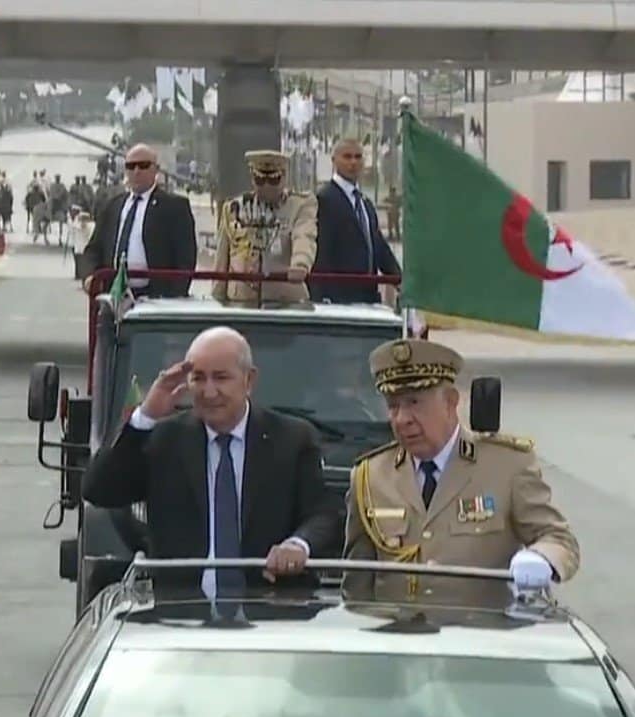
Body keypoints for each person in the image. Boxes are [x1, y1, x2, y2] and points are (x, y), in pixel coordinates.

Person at [82, 327, 343, 598]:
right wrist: (145, 417)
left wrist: (298, 545)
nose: (209, 392)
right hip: (182, 612)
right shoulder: (165, 439)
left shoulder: (292, 438)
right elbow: (99, 490)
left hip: (269, 612)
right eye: (198, 378)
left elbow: (324, 512)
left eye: (220, 378)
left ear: (249, 380)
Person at [344, 338, 581, 604]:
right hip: (399, 638)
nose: (402, 419)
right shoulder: (370, 476)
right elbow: (357, 583)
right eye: (393, 406)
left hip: (482, 637)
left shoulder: (507, 466)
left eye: (414, 402)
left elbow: (559, 538)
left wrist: (542, 558)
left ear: (450, 402)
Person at [79, 143, 198, 299]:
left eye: (143, 166)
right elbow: (93, 249)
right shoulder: (113, 206)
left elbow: (185, 258)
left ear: (156, 169)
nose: (136, 171)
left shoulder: (174, 207)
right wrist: (89, 277)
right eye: (131, 166)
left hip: (156, 300)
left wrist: (174, 295)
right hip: (114, 296)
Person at [212, 150, 316, 306]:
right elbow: (221, 260)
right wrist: (217, 299)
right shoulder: (234, 208)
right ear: (252, 179)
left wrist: (300, 264)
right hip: (240, 302)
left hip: (284, 302)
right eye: (260, 180)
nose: (266, 186)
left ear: (284, 177)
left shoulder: (299, 205)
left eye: (274, 180)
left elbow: (304, 236)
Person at [310, 139, 402, 304]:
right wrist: (321, 296)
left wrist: (399, 280)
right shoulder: (324, 199)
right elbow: (321, 253)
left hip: (368, 298)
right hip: (338, 301)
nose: (353, 162)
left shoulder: (365, 204)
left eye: (358, 157)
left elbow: (379, 248)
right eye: (347, 157)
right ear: (334, 160)